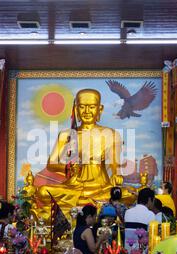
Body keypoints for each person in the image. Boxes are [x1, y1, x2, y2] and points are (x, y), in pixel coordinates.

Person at [34, 89, 135, 221]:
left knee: (130, 193)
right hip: (73, 187)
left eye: (92, 107)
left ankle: (77, 207)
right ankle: (94, 206)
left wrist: (117, 176)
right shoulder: (66, 135)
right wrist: (67, 167)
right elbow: (51, 164)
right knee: (43, 191)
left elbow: (115, 166)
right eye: (82, 107)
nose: (87, 111)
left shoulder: (110, 134)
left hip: (100, 187)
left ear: (100, 109)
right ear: (76, 109)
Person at [124, 188, 157, 254]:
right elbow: (152, 237)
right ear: (149, 199)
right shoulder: (150, 214)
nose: (153, 203)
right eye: (153, 200)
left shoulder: (128, 212)